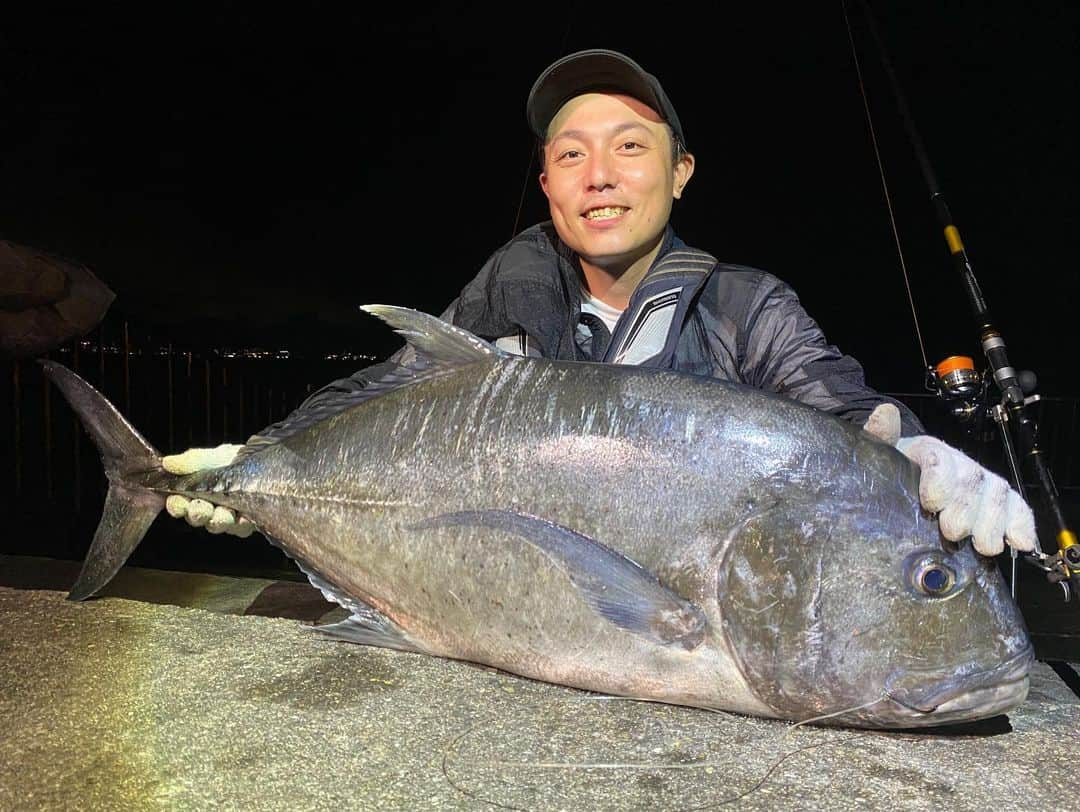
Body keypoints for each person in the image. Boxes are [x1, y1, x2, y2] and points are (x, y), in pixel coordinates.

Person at [163, 49, 1036, 558]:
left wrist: (917, 452)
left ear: (681, 172)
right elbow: (395, 399)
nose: (601, 176)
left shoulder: (744, 305)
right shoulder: (509, 289)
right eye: (571, 156)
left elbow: (835, 401)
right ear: (545, 182)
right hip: (508, 622)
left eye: (629, 146)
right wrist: (270, 462)